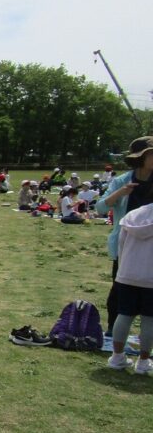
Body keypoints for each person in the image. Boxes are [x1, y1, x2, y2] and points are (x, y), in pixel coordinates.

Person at [97, 136, 153, 332]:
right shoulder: (122, 181)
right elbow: (100, 208)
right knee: (120, 289)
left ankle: (146, 338)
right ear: (140, 158)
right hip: (126, 245)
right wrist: (120, 193)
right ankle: (113, 331)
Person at [107, 202, 153, 373]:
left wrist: (123, 268)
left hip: (128, 274)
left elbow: (121, 245)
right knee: (149, 319)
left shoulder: (133, 215)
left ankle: (117, 356)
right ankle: (143, 361)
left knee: (124, 314)